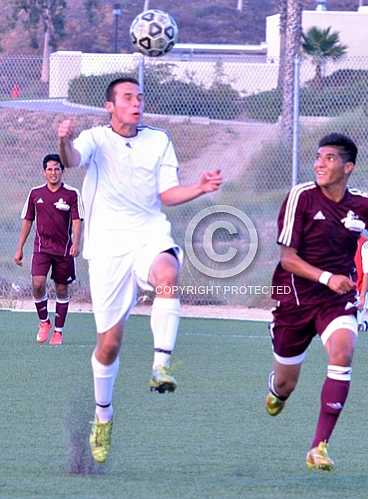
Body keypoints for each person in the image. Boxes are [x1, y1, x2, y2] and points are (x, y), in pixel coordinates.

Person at [58, 77, 222, 464]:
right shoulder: (96, 138)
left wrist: (198, 188)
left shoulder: (158, 140)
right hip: (107, 246)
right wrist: (63, 139)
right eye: (127, 98)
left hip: (149, 232)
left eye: (139, 97)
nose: (136, 103)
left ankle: (161, 366)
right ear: (110, 106)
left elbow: (167, 195)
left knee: (168, 274)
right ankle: (103, 416)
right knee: (109, 345)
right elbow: (71, 160)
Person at [265, 133, 368, 471]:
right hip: (294, 296)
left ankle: (318, 447)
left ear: (348, 167)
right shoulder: (301, 196)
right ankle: (277, 391)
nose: (319, 164)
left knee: (343, 351)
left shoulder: (364, 206)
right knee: (285, 384)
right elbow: (288, 258)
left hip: (336, 298)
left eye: (329, 158)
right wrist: (326, 277)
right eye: (318, 157)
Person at [14, 154, 83, 345]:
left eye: (57, 169)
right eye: (50, 169)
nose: (53, 172)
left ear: (62, 171)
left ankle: (58, 332)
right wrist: (19, 247)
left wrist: (76, 243)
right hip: (41, 249)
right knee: (37, 284)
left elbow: (77, 221)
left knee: (61, 289)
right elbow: (28, 220)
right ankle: (44, 322)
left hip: (64, 251)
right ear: (44, 172)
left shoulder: (72, 194)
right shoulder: (35, 193)